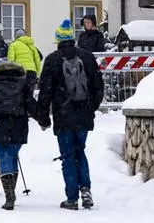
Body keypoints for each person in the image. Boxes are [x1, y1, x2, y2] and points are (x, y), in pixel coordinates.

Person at [36, 19, 105, 210]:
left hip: (63, 115)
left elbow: (45, 92)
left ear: (58, 39)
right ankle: (86, 190)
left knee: (68, 155)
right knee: (80, 152)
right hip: (83, 115)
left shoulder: (52, 60)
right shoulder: (88, 57)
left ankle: (72, 198)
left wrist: (43, 117)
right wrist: (91, 108)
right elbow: (99, 87)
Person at [0, 58, 37, 210]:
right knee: (12, 156)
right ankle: (11, 192)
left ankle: (10, 197)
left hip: (0, 124)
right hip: (19, 125)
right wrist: (43, 120)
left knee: (4, 158)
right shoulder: (22, 84)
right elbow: (31, 104)